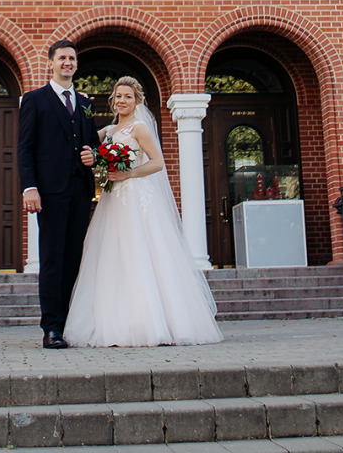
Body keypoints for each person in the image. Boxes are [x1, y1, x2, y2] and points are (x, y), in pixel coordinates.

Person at [63, 76, 223, 347]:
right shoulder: (109, 131)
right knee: (113, 256)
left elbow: (158, 163)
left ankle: (155, 322)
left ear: (137, 101)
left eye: (127, 96)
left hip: (137, 197)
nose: (121, 101)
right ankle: (116, 322)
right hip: (112, 201)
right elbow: (87, 142)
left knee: (143, 253)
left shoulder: (139, 128)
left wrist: (129, 173)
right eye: (117, 96)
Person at [17, 39, 99, 349]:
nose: (68, 63)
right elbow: (24, 147)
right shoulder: (35, 100)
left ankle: (68, 324)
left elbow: (92, 142)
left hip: (80, 190)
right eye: (62, 58)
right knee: (52, 259)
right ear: (51, 63)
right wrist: (30, 187)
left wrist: (93, 153)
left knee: (73, 258)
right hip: (49, 192)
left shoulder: (86, 103)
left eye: (72, 58)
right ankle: (51, 327)